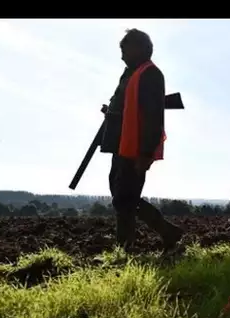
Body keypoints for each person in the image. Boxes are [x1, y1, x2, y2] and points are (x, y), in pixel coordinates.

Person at [99, 28, 182, 252]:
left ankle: (125, 248)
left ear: (139, 49)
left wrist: (145, 153)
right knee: (122, 197)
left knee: (125, 198)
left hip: (134, 148)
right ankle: (166, 233)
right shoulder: (131, 74)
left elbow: (153, 117)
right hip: (121, 145)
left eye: (125, 50)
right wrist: (112, 111)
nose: (122, 55)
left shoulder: (150, 74)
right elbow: (130, 109)